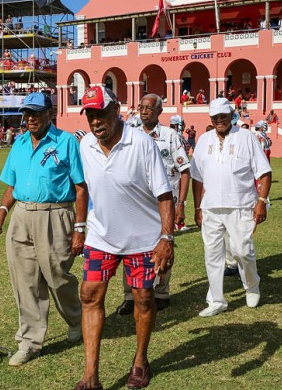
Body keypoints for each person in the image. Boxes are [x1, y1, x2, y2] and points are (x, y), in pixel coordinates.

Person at [73, 86, 174, 390]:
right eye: (90, 115)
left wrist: (166, 238)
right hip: (101, 237)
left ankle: (140, 361)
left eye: (101, 113)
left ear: (116, 111)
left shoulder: (142, 143)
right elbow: (83, 188)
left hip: (142, 240)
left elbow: (164, 194)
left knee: (143, 298)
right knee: (90, 295)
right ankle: (90, 375)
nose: (95, 121)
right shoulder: (86, 145)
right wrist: (80, 227)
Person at [0, 92, 87, 367]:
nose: (30, 118)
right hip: (21, 216)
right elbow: (12, 185)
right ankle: (29, 341)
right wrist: (1, 215)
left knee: (57, 276)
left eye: (36, 113)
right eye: (27, 113)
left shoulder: (66, 142)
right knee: (25, 281)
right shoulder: (19, 143)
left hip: (56, 215)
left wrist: (79, 228)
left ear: (49, 113)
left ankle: (77, 319)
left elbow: (81, 187)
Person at [190, 98, 272, 317]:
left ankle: (252, 286)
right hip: (211, 207)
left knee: (242, 251)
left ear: (231, 115)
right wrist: (197, 208)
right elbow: (196, 177)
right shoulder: (204, 140)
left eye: (223, 116)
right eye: (215, 117)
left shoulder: (246, 137)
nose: (219, 120)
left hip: (241, 205)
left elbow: (264, 172)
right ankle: (216, 300)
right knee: (212, 255)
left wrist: (261, 202)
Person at [115, 94, 190, 316]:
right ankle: (130, 296)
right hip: (135, 203)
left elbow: (185, 170)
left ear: (159, 112)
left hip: (164, 203)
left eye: (149, 108)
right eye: (141, 107)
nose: (144, 111)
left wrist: (182, 204)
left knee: (164, 245)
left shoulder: (170, 136)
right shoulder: (130, 133)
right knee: (130, 248)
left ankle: (161, 293)